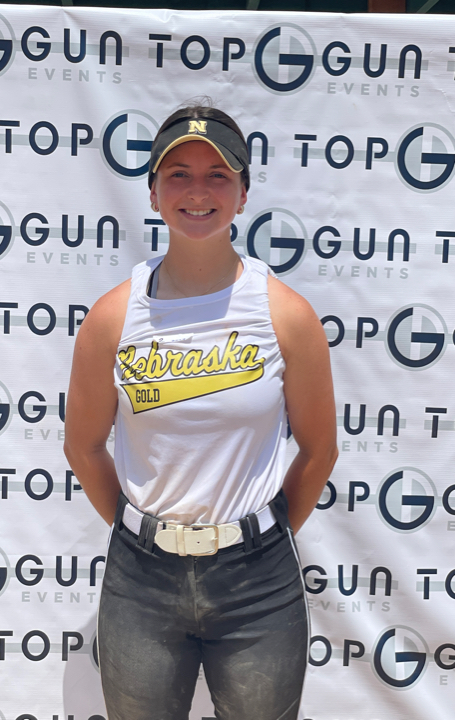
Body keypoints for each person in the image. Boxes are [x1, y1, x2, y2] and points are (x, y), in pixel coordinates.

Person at [64, 103, 338, 720]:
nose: (197, 192)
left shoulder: (286, 316)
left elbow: (320, 449)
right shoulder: (112, 318)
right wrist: (144, 534)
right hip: (140, 581)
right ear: (153, 192)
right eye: (179, 174)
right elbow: (82, 446)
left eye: (218, 175)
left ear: (243, 194)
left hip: (258, 583)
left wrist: (258, 538)